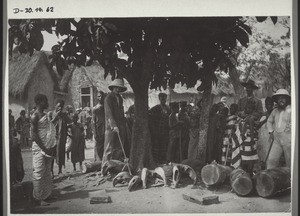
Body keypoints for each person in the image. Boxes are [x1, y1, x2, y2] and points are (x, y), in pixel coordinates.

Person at [31, 94, 56, 206]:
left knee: (46, 172)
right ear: (40, 102)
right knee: (39, 172)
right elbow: (34, 135)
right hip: (39, 148)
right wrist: (44, 148)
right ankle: (38, 198)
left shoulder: (45, 115)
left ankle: (46, 194)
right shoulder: (35, 116)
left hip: (47, 147)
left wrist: (49, 147)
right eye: (45, 101)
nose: (47, 103)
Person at [101, 78, 128, 175]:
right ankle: (104, 170)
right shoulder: (108, 98)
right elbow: (109, 114)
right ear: (113, 87)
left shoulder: (120, 98)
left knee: (118, 148)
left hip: (120, 126)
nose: (117, 89)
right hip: (111, 127)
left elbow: (120, 113)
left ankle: (114, 168)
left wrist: (123, 124)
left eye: (119, 88)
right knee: (109, 148)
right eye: (116, 87)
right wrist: (113, 125)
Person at [266, 89, 291, 169]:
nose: (281, 101)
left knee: (290, 161)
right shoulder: (275, 111)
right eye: (279, 98)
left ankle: (291, 179)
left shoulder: (291, 110)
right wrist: (271, 132)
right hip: (276, 139)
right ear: (276, 100)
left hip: (288, 140)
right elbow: (269, 121)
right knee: (271, 160)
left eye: (283, 98)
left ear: (287, 99)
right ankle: (270, 178)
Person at [149, 93, 171, 164]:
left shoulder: (168, 108)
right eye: (162, 99)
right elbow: (150, 115)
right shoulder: (156, 108)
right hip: (157, 131)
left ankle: (162, 159)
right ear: (159, 99)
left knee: (164, 145)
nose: (163, 100)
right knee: (156, 145)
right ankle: (156, 159)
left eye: (164, 99)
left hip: (165, 131)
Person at [51, 99, 69, 175]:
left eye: (61, 107)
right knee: (52, 154)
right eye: (58, 106)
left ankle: (60, 170)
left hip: (62, 137)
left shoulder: (64, 115)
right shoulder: (52, 113)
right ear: (55, 106)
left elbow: (69, 122)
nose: (60, 108)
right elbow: (50, 123)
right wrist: (56, 116)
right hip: (53, 137)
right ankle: (51, 171)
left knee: (61, 154)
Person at [257, 97, 274, 163]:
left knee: (270, 156)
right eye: (266, 104)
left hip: (271, 138)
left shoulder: (274, 113)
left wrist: (267, 119)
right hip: (263, 138)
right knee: (263, 156)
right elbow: (258, 125)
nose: (268, 106)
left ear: (272, 104)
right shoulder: (263, 114)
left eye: (269, 104)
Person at [92, 91, 106, 161]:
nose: (101, 98)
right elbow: (93, 122)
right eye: (99, 96)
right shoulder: (95, 109)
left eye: (102, 96)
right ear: (97, 97)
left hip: (105, 129)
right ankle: (98, 162)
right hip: (98, 130)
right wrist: (95, 133)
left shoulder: (106, 108)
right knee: (98, 148)